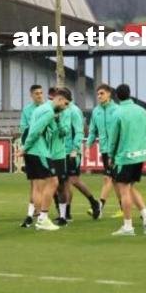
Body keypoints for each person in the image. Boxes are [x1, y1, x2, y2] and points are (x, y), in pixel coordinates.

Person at [106, 84, 146, 236]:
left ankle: (128, 227)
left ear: (116, 96)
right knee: (131, 188)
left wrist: (110, 155)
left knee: (124, 191)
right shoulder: (141, 111)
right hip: (139, 156)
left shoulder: (117, 112)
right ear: (130, 94)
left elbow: (114, 137)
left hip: (124, 157)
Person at [56, 92, 99, 224]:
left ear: (65, 98)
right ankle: (68, 213)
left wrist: (75, 149)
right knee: (67, 182)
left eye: (59, 98)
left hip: (72, 151)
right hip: (63, 151)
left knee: (72, 180)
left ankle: (92, 203)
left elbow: (78, 131)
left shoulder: (74, 111)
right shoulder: (64, 110)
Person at [85, 83, 118, 218]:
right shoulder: (96, 111)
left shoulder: (117, 109)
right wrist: (88, 146)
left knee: (107, 178)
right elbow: (93, 131)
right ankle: (122, 208)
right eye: (98, 94)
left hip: (116, 149)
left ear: (109, 94)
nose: (99, 96)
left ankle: (99, 207)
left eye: (102, 93)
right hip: (104, 149)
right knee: (115, 181)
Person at [20, 84, 47, 228]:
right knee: (38, 185)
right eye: (37, 93)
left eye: (41, 93)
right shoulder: (28, 110)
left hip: (39, 150)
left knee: (37, 185)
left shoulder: (46, 108)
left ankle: (31, 215)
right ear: (31, 95)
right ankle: (41, 217)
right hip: (35, 150)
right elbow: (23, 129)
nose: (39, 95)